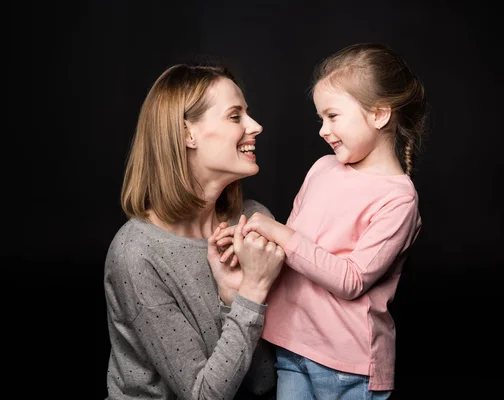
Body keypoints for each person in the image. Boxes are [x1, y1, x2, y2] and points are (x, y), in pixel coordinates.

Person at [214, 43, 428, 399]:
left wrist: (276, 231)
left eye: (333, 116)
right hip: (291, 348)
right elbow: (295, 247)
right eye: (320, 119)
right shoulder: (323, 168)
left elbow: (352, 280)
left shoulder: (398, 198)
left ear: (379, 115)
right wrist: (248, 241)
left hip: (348, 367)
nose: (323, 130)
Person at [104, 61, 285, 399]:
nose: (256, 126)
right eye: (235, 116)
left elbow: (262, 382)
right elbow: (203, 395)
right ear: (187, 134)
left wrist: (232, 299)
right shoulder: (137, 254)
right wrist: (254, 290)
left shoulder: (253, 221)